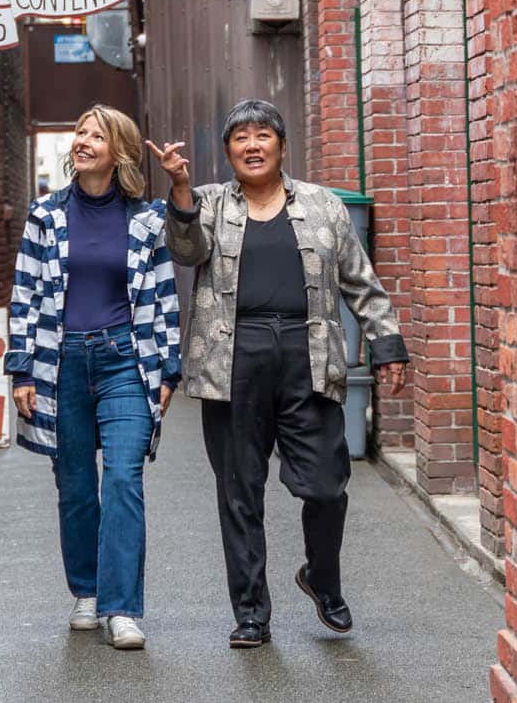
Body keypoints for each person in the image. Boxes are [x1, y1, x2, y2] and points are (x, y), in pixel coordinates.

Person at [149, 99, 408, 649]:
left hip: (307, 357)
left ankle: (322, 577)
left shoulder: (322, 205)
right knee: (239, 491)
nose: (252, 145)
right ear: (228, 152)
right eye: (240, 137)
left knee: (326, 486)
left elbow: (360, 280)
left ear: (282, 146)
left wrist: (387, 345)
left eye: (262, 135)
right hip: (231, 362)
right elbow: (186, 251)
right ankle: (251, 614)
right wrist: (180, 190)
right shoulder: (208, 202)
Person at [6, 105, 181, 651]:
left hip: (124, 360)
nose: (82, 141)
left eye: (96, 136)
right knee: (76, 484)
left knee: (124, 477)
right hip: (61, 363)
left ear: (119, 152)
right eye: (79, 132)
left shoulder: (146, 220)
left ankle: (122, 608)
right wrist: (21, 368)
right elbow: (25, 294)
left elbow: (164, 295)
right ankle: (86, 590)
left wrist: (169, 367)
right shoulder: (46, 216)